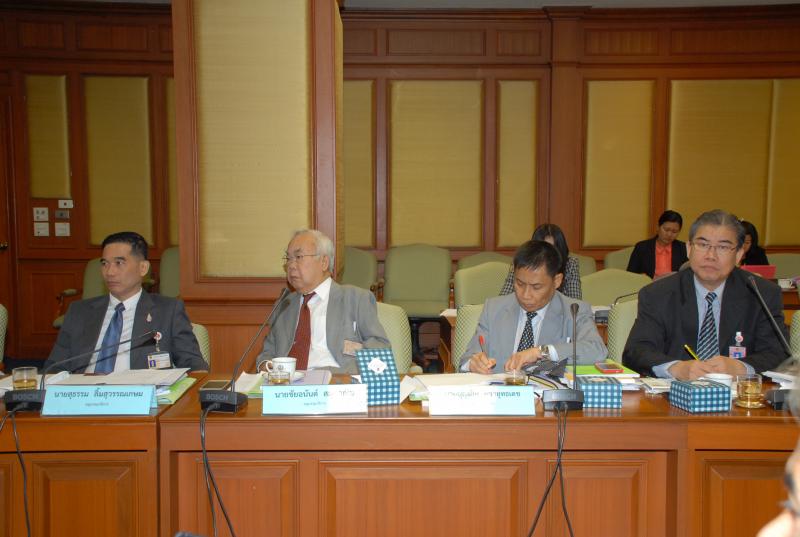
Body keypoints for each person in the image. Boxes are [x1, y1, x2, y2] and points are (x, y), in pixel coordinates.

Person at [623, 209, 789, 380]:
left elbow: (779, 353)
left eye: (723, 247)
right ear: (689, 248)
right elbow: (636, 351)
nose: (711, 256)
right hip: (674, 393)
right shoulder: (657, 294)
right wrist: (675, 368)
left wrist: (742, 367)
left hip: (739, 393)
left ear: (739, 254)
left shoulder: (761, 294)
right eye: (702, 245)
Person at [45, 231, 207, 373]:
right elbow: (54, 368)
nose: (110, 272)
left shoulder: (168, 311)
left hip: (139, 395)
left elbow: (193, 363)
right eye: (104, 264)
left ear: (143, 268)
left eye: (119, 263)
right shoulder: (79, 311)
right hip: (83, 395)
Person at [256, 229, 389, 374]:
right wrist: (267, 366)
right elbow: (267, 353)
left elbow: (380, 348)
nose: (291, 265)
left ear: (324, 262)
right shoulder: (284, 305)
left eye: (298, 257)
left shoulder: (356, 299)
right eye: (288, 258)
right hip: (288, 383)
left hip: (336, 380)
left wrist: (345, 375)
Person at [461, 240, 606, 373]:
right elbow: (466, 360)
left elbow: (597, 350)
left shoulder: (574, 311)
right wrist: (473, 364)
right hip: (500, 391)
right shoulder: (493, 308)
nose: (525, 295)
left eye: (536, 287)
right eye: (520, 284)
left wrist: (541, 352)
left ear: (557, 281)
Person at [500, 223, 582, 299]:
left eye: (552, 249)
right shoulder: (522, 263)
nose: (547, 254)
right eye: (543, 248)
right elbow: (504, 298)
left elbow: (575, 302)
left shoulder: (570, 264)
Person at [626, 210, 688, 279]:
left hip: (674, 285)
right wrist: (640, 277)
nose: (669, 234)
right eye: (666, 230)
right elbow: (630, 274)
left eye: (674, 231)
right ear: (658, 227)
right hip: (649, 285)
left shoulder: (683, 248)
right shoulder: (642, 247)